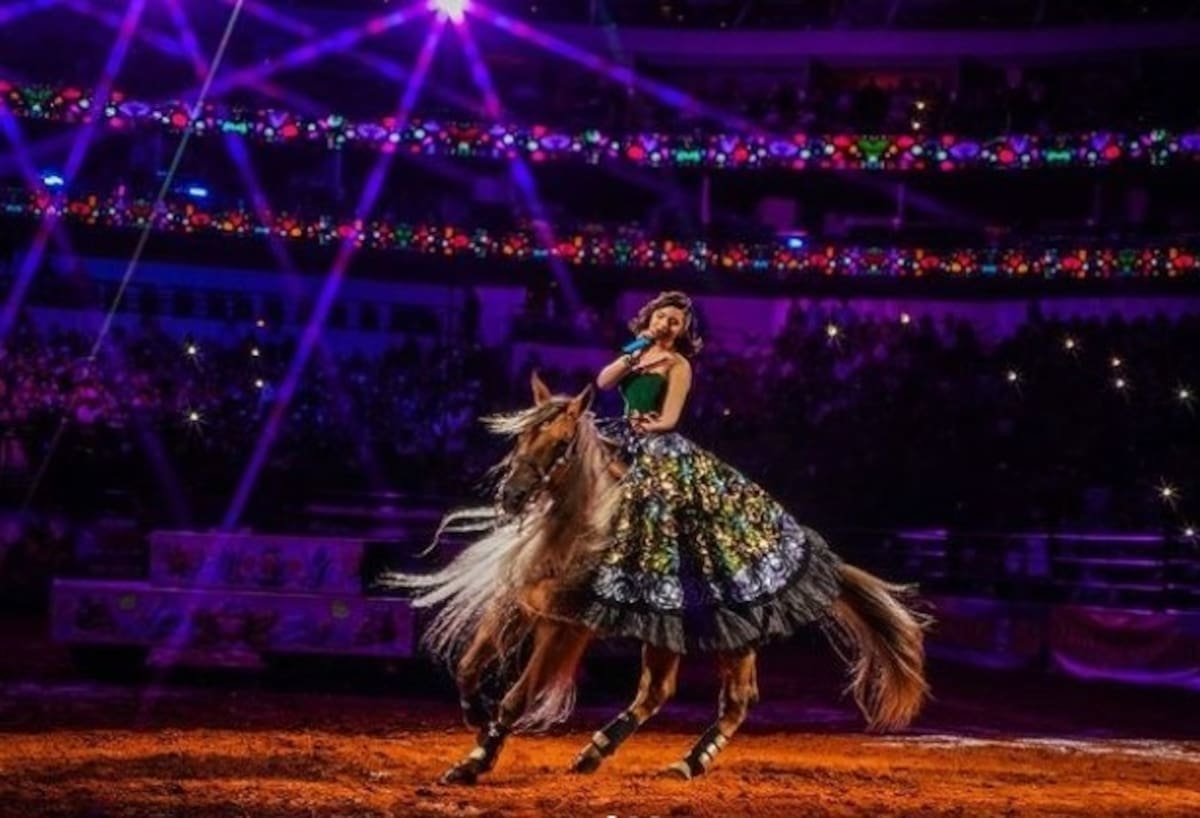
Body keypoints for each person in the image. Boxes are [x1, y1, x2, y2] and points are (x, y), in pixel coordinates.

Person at [577, 290, 844, 654]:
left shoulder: (678, 365)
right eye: (661, 317)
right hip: (625, 433)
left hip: (657, 444)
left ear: (683, 329)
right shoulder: (637, 352)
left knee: (654, 516)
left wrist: (644, 426)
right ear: (650, 318)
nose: (666, 324)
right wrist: (633, 352)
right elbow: (604, 382)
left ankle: (661, 598)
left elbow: (670, 418)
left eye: (675, 321)